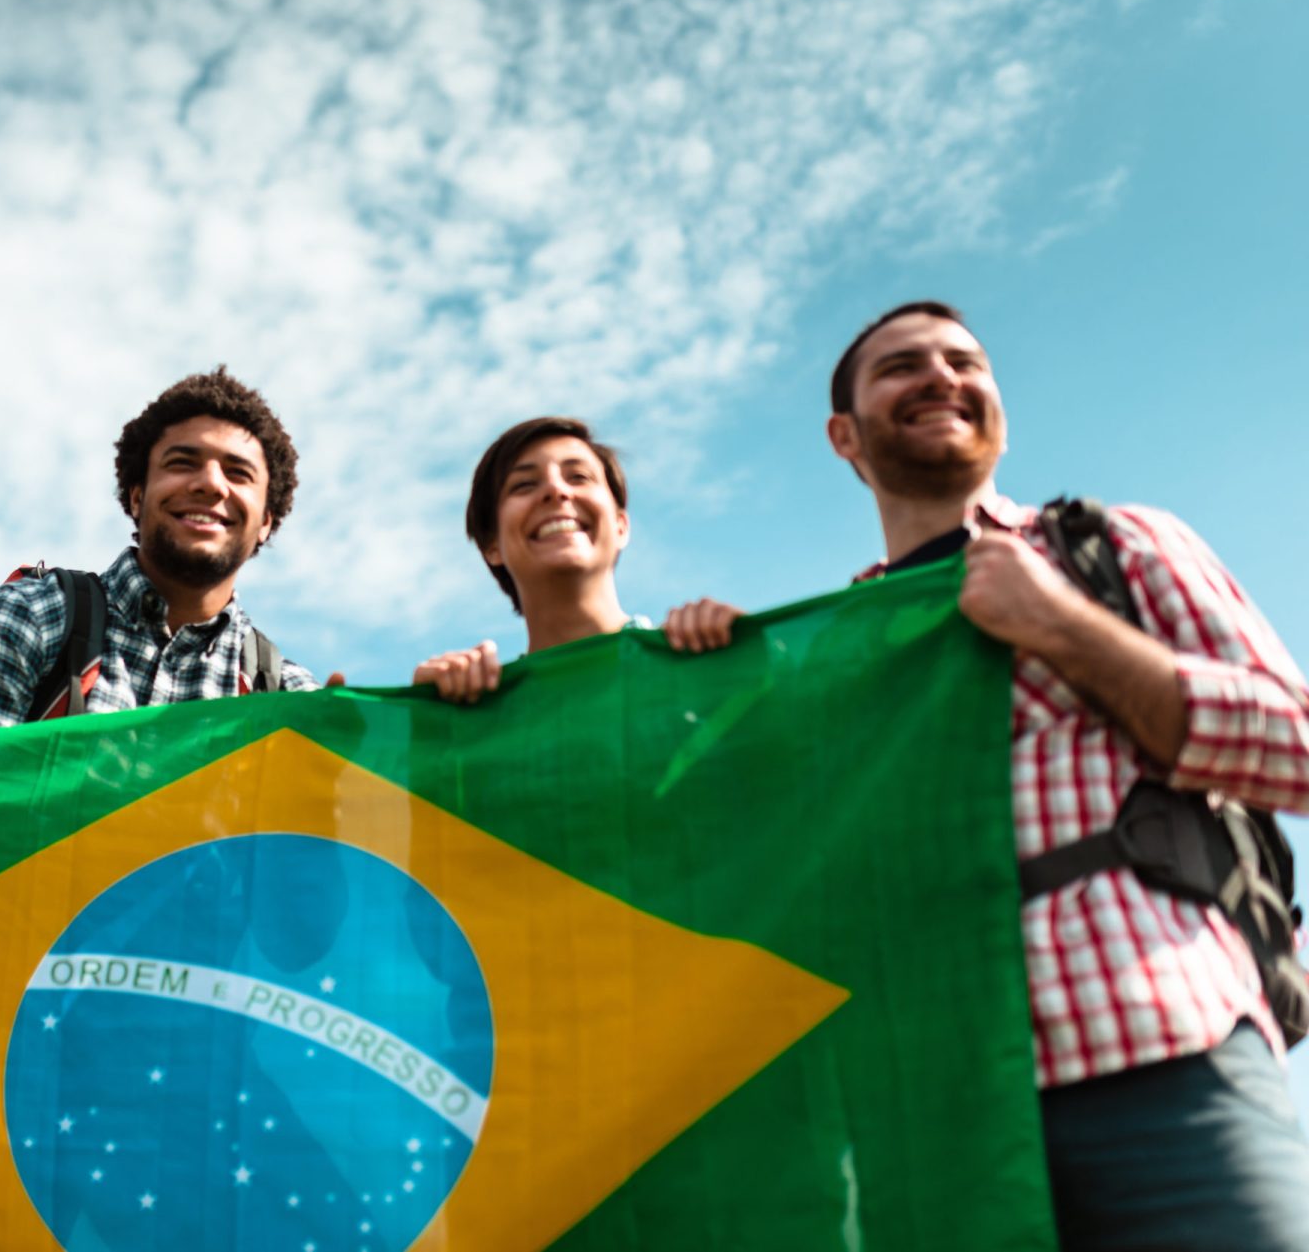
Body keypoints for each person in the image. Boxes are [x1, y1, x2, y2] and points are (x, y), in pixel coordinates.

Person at [665, 301, 1309, 1251]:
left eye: (964, 360)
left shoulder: (1111, 545)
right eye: (900, 367)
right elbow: (728, 868)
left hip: (1162, 1047)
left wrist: (1060, 624)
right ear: (844, 435)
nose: (939, 376)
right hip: (929, 1117)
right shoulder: (825, 652)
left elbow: (1294, 744)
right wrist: (687, 689)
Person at [0, 367, 327, 729]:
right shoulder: (29, 615)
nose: (212, 484)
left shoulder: (286, 696)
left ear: (266, 521)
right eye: (182, 462)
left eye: (238, 472)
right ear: (136, 495)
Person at [413, 416, 643, 701]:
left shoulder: (699, 664)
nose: (556, 491)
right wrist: (422, 724)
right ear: (491, 544)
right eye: (523, 485)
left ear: (621, 526)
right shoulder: (475, 718)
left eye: (579, 477)